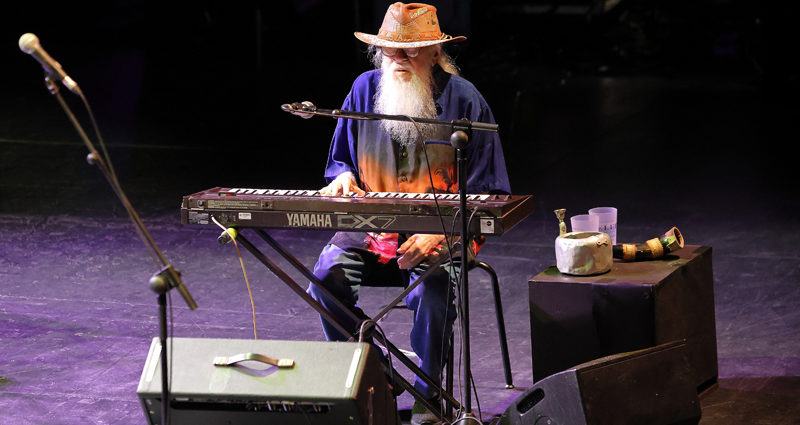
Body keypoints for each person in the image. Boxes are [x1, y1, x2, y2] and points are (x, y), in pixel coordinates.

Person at [307, 3, 510, 424]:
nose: (397, 59)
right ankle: (377, 372)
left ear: (435, 52)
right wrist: (342, 177)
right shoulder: (364, 89)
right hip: (371, 230)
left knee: (433, 293)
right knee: (325, 279)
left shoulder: (466, 100)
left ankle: (427, 399)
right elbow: (339, 161)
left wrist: (444, 234)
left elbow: (492, 192)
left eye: (410, 50)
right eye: (389, 50)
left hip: (444, 234)